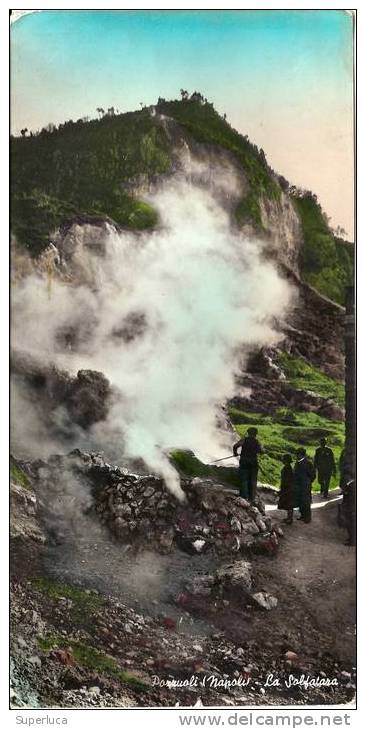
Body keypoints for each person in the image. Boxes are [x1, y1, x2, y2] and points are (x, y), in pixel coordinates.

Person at [233, 427, 263, 502]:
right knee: (252, 480)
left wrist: (235, 453)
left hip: (244, 462)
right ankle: (251, 498)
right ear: (256, 434)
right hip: (253, 463)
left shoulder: (244, 440)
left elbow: (235, 446)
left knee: (244, 479)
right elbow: (261, 451)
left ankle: (243, 496)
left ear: (248, 433)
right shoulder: (257, 442)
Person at [294, 447, 316, 523]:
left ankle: (307, 518)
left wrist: (308, 482)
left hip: (305, 486)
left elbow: (313, 475)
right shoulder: (297, 463)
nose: (296, 456)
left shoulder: (308, 463)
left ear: (301, 455)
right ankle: (302, 516)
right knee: (300, 501)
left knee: (306, 502)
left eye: (297, 454)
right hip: (299, 486)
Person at [277, 454, 294, 524]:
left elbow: (286, 480)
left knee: (289, 504)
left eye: (283, 459)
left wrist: (283, 488)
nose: (282, 460)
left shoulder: (287, 468)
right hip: (288, 488)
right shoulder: (288, 467)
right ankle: (289, 518)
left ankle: (290, 519)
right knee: (288, 504)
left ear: (286, 460)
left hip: (288, 488)